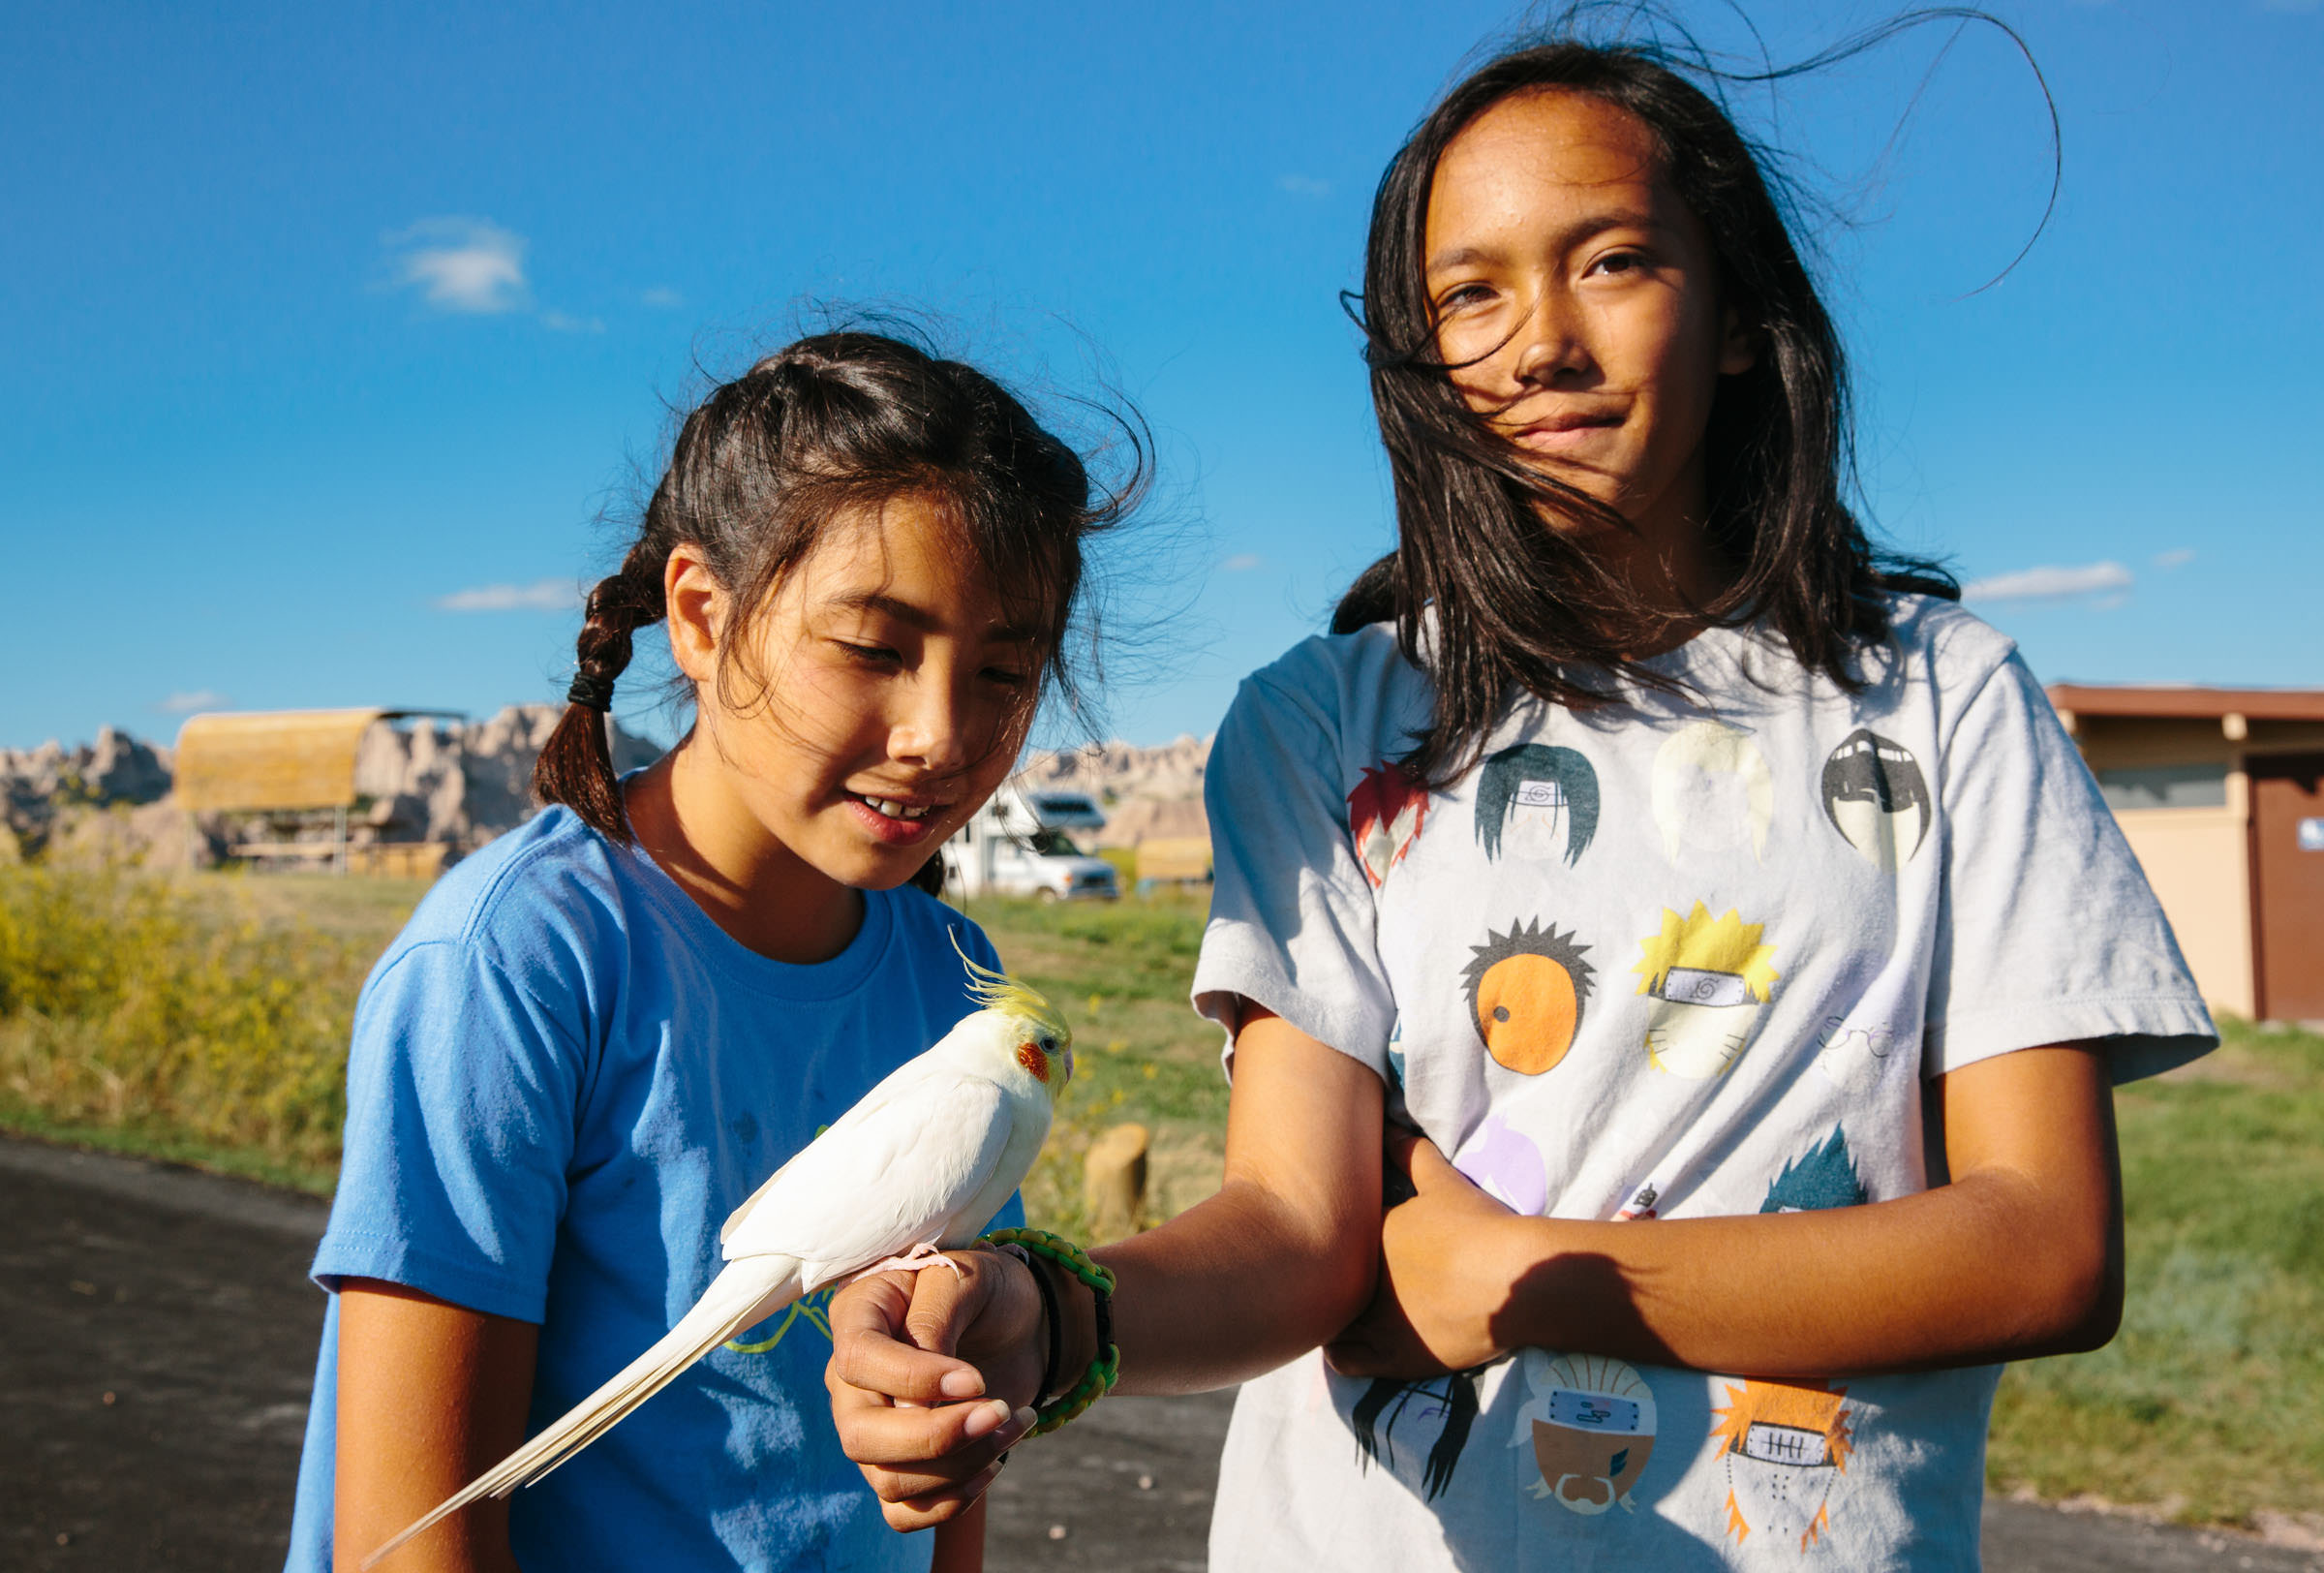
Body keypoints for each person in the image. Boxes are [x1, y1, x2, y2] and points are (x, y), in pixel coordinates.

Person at [822, 34, 2216, 1572]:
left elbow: (2047, 1245)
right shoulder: (1325, 722)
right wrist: (1049, 1311)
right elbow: (1298, 1232)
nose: (1537, 342)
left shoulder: (1944, 702)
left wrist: (1532, 1277)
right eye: (1468, 295)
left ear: (1744, 315)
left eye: (1611, 262)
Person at [283, 330, 1137, 1573]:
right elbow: (410, 1536)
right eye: (875, 648)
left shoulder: (957, 983)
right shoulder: (515, 962)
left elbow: (943, 1436)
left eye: (1005, 670)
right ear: (699, 615)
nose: (939, 732)